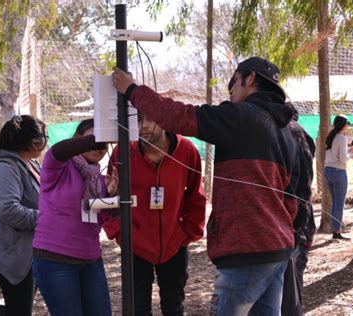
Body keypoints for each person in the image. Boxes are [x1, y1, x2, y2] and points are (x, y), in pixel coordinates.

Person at [112, 56, 300, 315]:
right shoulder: (288, 130)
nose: (230, 90)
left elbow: (180, 116)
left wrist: (133, 91)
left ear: (250, 79)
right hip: (279, 249)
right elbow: (292, 199)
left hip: (246, 249)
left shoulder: (240, 116)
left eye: (233, 82)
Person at [103, 114, 206, 315]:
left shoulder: (186, 150)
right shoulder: (123, 151)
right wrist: (121, 233)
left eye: (151, 118)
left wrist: (186, 233)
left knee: (174, 305)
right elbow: (111, 197)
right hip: (135, 245)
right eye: (138, 119)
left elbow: (196, 195)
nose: (144, 126)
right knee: (137, 308)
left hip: (174, 243)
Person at [32, 119, 117, 316]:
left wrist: (112, 198)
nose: (100, 146)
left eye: (104, 143)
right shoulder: (58, 165)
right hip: (55, 260)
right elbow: (59, 150)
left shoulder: (100, 179)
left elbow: (103, 218)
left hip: (91, 259)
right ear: (77, 139)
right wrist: (94, 139)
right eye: (93, 138)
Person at [0, 115, 46, 315]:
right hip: (12, 251)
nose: (44, 144)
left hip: (27, 250)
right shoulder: (4, 168)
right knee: (19, 308)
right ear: (31, 142)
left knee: (19, 308)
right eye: (42, 139)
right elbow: (8, 210)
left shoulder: (29, 163)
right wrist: (47, 219)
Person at [282, 106, 316, 316]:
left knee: (289, 296)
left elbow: (301, 184)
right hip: (298, 226)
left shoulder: (288, 133)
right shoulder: (302, 134)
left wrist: (297, 226)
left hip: (293, 226)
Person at [324, 115, 353, 240]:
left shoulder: (330, 137)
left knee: (335, 203)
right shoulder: (341, 138)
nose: (348, 127)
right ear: (344, 125)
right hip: (338, 172)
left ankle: (335, 229)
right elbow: (343, 159)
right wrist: (352, 153)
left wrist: (348, 149)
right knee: (339, 204)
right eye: (347, 124)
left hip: (328, 171)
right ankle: (337, 231)